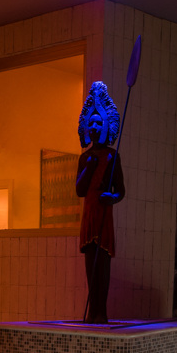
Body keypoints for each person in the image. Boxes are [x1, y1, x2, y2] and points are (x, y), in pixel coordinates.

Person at [76, 82, 125, 324]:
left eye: (98, 123)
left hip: (104, 217)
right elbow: (79, 190)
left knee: (102, 267)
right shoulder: (85, 157)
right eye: (91, 123)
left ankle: (100, 311)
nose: (94, 127)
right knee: (90, 266)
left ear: (106, 126)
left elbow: (120, 190)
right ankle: (92, 310)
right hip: (89, 216)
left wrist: (112, 197)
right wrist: (88, 168)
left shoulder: (112, 156)